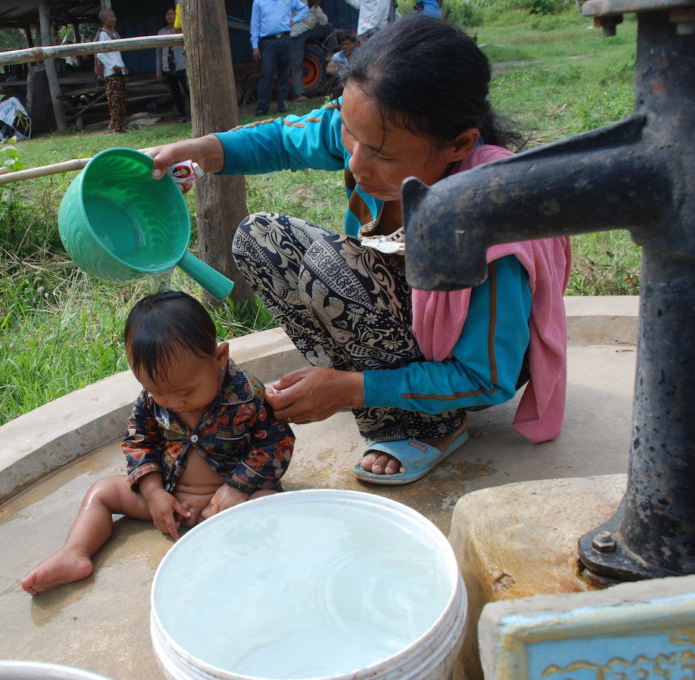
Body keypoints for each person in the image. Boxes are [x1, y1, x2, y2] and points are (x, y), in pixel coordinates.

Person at [148, 15, 570, 486]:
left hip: (473, 365)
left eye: (382, 155)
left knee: (331, 265)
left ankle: (433, 425)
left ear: (459, 145)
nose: (355, 164)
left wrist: (350, 389)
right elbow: (285, 138)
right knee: (258, 236)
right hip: (404, 322)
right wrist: (196, 152)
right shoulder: (371, 130)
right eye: (350, 135)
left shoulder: (488, 215)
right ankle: (379, 403)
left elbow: (488, 377)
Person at [21, 291, 295, 594]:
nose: (174, 403)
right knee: (102, 492)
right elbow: (138, 440)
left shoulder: (246, 394)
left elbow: (277, 442)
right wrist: (153, 493)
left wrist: (238, 487)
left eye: (186, 392)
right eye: (159, 393)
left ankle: (240, 564)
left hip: (229, 502)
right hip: (170, 497)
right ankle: (74, 552)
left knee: (269, 505)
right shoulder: (151, 400)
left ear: (220, 358)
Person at [250, 0, 308, 117]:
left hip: (285, 38)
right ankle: (262, 108)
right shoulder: (258, 2)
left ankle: (282, 104)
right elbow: (255, 23)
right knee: (267, 73)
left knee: (284, 73)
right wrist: (255, 46)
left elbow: (304, 9)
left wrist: (294, 20)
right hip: (267, 41)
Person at [289, 0, 332, 101]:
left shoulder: (316, 8)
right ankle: (299, 94)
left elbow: (324, 21)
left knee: (329, 27)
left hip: (309, 32)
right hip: (297, 35)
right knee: (296, 63)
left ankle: (331, 53)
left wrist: (316, 9)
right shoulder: (298, 3)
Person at [94, 9, 129, 134]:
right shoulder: (103, 34)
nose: (114, 19)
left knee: (121, 99)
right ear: (104, 20)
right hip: (111, 72)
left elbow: (116, 54)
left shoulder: (113, 33)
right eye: (111, 17)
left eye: (114, 16)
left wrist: (122, 66)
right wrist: (114, 66)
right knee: (115, 100)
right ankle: (116, 127)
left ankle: (119, 125)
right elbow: (100, 55)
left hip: (118, 70)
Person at [156, 7, 190, 122]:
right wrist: (158, 69)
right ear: (165, 17)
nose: (170, 16)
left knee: (188, 90)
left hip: (182, 65)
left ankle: (195, 113)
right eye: (168, 14)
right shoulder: (161, 32)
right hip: (168, 67)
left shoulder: (180, 30)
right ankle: (182, 115)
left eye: (172, 14)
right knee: (175, 93)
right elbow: (159, 53)